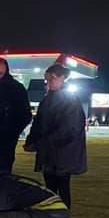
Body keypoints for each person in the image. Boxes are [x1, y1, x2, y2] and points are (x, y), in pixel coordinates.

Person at [24, 64, 87, 208]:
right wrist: (32, 140)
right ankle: (52, 216)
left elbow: (68, 129)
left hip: (63, 153)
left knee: (62, 187)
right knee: (50, 188)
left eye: (52, 78)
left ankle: (62, 217)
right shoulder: (47, 100)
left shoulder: (70, 101)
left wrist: (42, 142)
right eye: (47, 79)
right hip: (49, 153)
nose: (49, 82)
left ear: (63, 78)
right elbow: (38, 123)